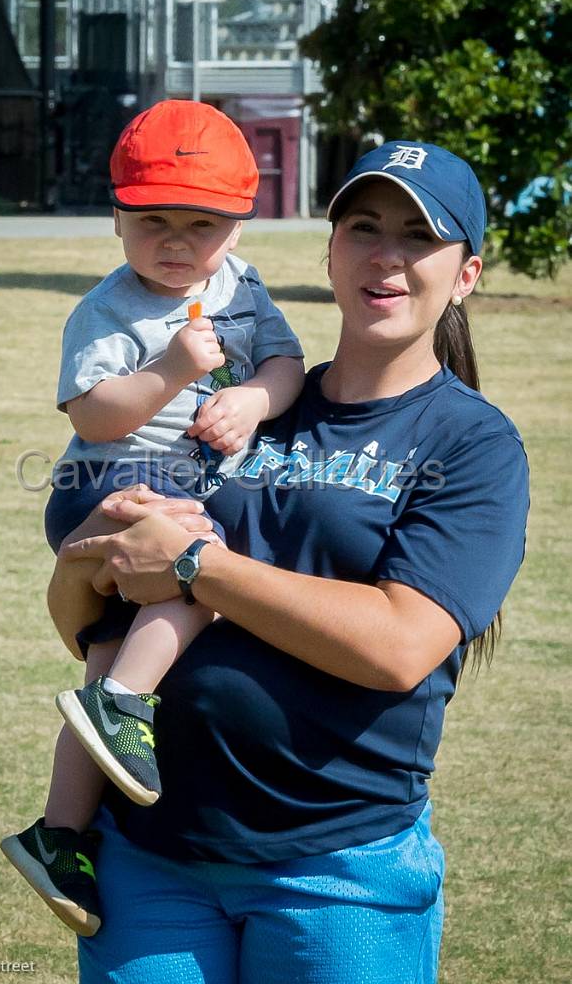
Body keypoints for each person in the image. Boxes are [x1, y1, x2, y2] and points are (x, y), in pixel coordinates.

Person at [47, 140, 530, 983]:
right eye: (364, 228)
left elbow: (399, 647)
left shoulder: (472, 443)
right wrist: (83, 570)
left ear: (465, 274)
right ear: (330, 250)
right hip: (152, 855)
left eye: (419, 237)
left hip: (337, 869)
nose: (386, 256)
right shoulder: (241, 404)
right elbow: (87, 618)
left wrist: (198, 566)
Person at [0, 100, 305, 937]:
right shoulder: (109, 311)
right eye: (153, 220)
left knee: (105, 652)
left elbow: (285, 362)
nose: (175, 241)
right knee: (202, 565)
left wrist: (252, 397)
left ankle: (58, 834)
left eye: (200, 223)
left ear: (237, 231)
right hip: (108, 481)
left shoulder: (242, 289)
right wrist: (172, 368)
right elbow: (92, 416)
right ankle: (124, 706)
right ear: (117, 221)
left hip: (177, 481)